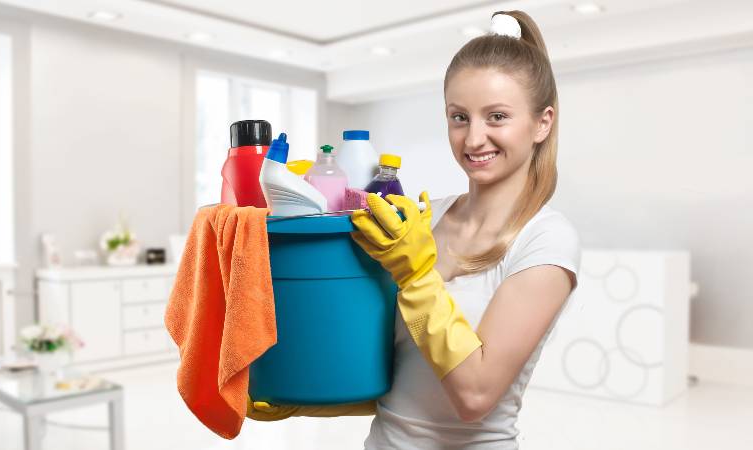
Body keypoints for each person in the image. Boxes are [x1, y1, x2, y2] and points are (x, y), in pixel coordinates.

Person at [247, 10, 581, 450]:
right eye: (459, 117)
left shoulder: (546, 240)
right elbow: (398, 369)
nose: (474, 138)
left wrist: (415, 276)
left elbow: (475, 394)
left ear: (542, 122)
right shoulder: (426, 219)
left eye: (497, 117)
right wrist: (302, 392)